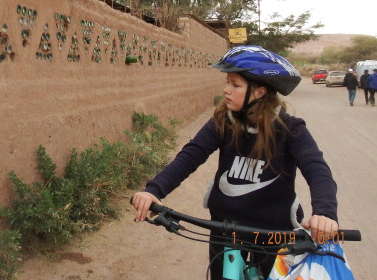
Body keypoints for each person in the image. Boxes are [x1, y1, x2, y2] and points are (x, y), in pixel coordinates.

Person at [131, 45, 338, 279]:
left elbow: (317, 170)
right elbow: (190, 155)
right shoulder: (223, 121)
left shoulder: (290, 129)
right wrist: (153, 190)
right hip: (225, 227)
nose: (226, 90)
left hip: (274, 232)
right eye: (227, 82)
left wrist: (325, 213)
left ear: (259, 92)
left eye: (235, 85)